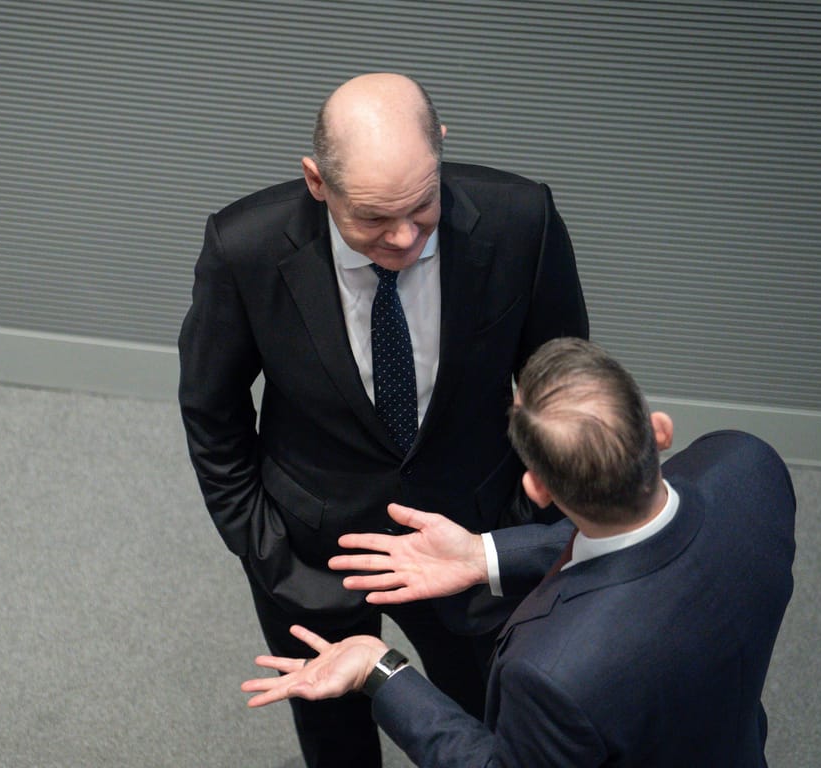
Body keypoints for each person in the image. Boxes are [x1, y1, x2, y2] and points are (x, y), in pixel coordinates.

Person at [178, 72, 587, 766]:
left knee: (486, 728)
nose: (401, 238)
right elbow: (211, 411)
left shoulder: (524, 222)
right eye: (370, 218)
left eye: (421, 207)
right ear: (316, 181)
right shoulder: (243, 248)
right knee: (335, 744)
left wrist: (517, 532)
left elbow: (564, 386)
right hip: (310, 553)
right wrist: (266, 550)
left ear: (441, 148)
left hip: (473, 541)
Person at [242, 337, 797, 767]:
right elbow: (647, 537)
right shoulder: (750, 471)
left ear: (539, 488)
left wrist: (379, 668)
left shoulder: (552, 673)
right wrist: (485, 555)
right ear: (659, 430)